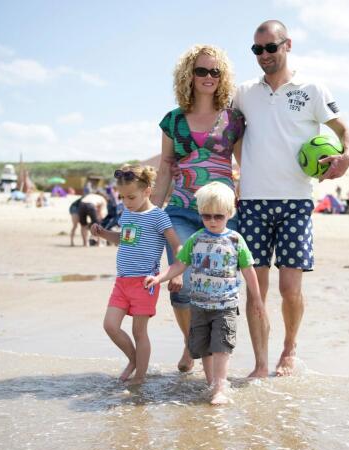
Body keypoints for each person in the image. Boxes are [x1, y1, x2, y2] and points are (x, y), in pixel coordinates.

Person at [232, 20, 349, 377]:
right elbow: (228, 132)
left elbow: (345, 131)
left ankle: (289, 348)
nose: (264, 55)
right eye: (257, 49)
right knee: (256, 291)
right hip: (252, 202)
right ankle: (260, 363)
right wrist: (243, 168)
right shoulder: (244, 93)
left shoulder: (313, 89)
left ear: (288, 45)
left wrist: (346, 157)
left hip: (296, 202)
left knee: (289, 289)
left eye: (270, 47)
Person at [151, 44, 245, 374]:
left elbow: (244, 165)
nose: (208, 77)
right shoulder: (173, 120)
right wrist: (150, 212)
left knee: (215, 286)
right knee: (183, 284)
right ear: (189, 75)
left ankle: (203, 349)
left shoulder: (233, 120)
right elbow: (165, 167)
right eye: (201, 70)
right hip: (179, 210)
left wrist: (241, 203)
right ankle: (192, 341)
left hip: (220, 215)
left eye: (215, 71)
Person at [144, 182, 264, 404]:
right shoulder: (196, 239)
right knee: (205, 349)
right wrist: (159, 278)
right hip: (199, 306)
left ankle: (220, 388)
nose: (212, 221)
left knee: (221, 347)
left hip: (225, 306)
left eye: (218, 216)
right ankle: (211, 384)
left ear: (229, 213)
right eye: (206, 216)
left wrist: (256, 299)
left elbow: (249, 270)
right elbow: (179, 265)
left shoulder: (235, 240)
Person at [91, 164, 181, 385]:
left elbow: (176, 246)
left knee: (139, 332)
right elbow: (124, 239)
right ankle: (133, 360)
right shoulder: (127, 213)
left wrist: (176, 272)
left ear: (147, 191)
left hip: (145, 282)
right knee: (110, 326)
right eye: (122, 197)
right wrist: (103, 233)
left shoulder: (158, 216)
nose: (126, 202)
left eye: (131, 197)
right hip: (122, 281)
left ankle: (140, 377)